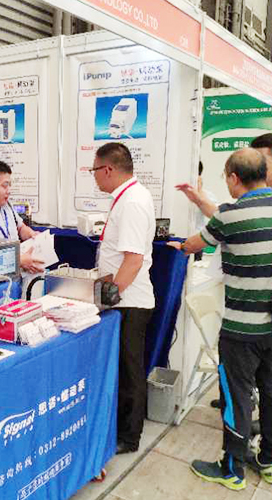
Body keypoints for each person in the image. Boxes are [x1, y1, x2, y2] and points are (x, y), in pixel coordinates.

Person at [169, 148, 272, 491]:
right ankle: (268, 461)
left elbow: (196, 242)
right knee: (270, 393)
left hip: (241, 330)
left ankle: (232, 469)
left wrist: (180, 246)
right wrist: (199, 199)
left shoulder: (231, 216)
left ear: (233, 178)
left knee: (236, 397)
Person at [92, 142, 155, 454]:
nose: (93, 176)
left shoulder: (132, 201)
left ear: (108, 169)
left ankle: (129, 438)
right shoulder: (128, 197)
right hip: (126, 299)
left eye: (94, 170)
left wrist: (109, 297)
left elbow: (133, 260)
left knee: (130, 372)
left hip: (130, 302)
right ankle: (123, 429)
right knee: (125, 368)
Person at [176, 133, 272, 217]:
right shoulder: (250, 198)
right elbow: (229, 218)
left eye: (261, 160)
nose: (255, 164)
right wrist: (199, 200)